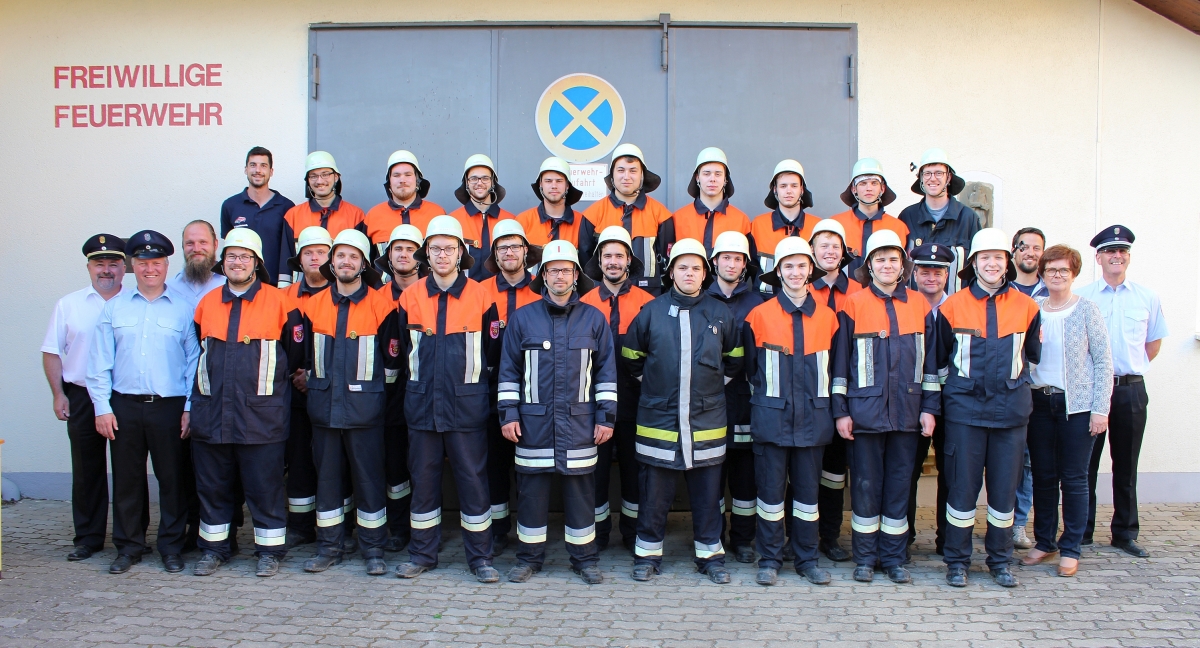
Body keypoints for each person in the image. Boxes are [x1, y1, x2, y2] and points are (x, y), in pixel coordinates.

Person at [621, 238, 743, 584]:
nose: (689, 273)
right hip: (658, 420)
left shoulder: (721, 313)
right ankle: (647, 555)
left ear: (706, 273)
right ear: (671, 271)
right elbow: (631, 357)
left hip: (706, 420)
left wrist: (709, 388)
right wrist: (655, 382)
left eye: (696, 267)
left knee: (708, 494)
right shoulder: (651, 311)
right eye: (682, 267)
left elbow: (735, 359)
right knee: (654, 494)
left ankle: (711, 556)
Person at [497, 240, 617, 584]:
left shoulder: (594, 318)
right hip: (532, 424)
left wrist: (605, 418)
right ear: (543, 275)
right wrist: (509, 415)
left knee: (581, 494)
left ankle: (585, 560)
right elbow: (508, 371)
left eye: (566, 269)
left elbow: (606, 373)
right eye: (553, 270)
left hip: (580, 423)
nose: (560, 276)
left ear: (577, 275)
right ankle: (529, 558)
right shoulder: (522, 319)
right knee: (531, 493)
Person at [188, 229, 304, 577]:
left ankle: (270, 551)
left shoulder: (281, 301)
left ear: (257, 263)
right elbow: (200, 349)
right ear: (222, 262)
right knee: (213, 486)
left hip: (261, 417)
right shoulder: (207, 303)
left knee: (264, 487)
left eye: (245, 256)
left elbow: (295, 353)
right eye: (232, 256)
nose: (238, 262)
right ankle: (214, 549)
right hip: (213, 414)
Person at [393, 216, 502, 583]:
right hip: (422, 406)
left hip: (467, 407)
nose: (442, 255)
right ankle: (422, 554)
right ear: (426, 254)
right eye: (435, 248)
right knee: (423, 482)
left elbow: (494, 353)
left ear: (461, 254)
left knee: (473, 483)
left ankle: (480, 559)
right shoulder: (410, 297)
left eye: (449, 248)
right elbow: (400, 355)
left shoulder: (482, 295)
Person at [87, 230, 199, 575]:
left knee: (173, 480)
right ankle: (129, 546)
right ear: (133, 266)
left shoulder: (184, 309)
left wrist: (189, 408)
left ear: (166, 265)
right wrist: (102, 408)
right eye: (143, 262)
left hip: (169, 405)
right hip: (124, 406)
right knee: (127, 480)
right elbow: (99, 362)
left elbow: (194, 361)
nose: (150, 269)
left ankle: (171, 546)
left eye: (157, 262)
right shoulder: (114, 308)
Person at [831, 230, 939, 584]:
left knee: (898, 486)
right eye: (880, 259)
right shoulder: (853, 304)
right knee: (864, 485)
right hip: (864, 414)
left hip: (908, 413)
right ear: (869, 267)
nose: (887, 265)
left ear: (903, 266)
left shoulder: (920, 305)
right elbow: (840, 365)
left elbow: (932, 365)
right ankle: (865, 558)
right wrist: (841, 410)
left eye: (893, 259)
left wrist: (929, 408)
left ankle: (893, 559)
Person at [936, 228, 1041, 588]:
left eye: (998, 257)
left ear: (1007, 263)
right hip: (965, 413)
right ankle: (957, 562)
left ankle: (1000, 561)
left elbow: (1032, 357)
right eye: (985, 258)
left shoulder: (1028, 307)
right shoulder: (952, 306)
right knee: (961, 492)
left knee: (1003, 494)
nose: (992, 264)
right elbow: (940, 359)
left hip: (1010, 414)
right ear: (974, 264)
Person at [300, 229, 401, 576]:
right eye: (340, 255)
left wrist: (375, 400)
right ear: (332, 262)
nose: (346, 261)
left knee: (370, 481)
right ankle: (329, 546)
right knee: (327, 482)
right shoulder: (311, 307)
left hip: (366, 414)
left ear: (363, 265)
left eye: (354, 256)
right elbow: (301, 358)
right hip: (324, 410)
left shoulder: (381, 304)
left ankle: (373, 550)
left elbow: (392, 361)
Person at [743, 237, 838, 586]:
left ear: (810, 270)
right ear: (778, 272)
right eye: (788, 266)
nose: (796, 272)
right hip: (771, 419)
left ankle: (807, 559)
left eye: (801, 266)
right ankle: (769, 559)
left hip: (814, 420)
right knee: (769, 495)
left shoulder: (829, 319)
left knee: (807, 498)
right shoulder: (758, 316)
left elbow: (836, 370)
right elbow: (750, 370)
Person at [1020, 245, 1112, 577]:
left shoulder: (1087, 310)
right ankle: (1045, 542)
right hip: (1039, 404)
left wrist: (1101, 409)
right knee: (1043, 477)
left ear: (1073, 274)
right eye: (1051, 270)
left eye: (1064, 270)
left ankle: (1071, 547)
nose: (1057, 275)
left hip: (1078, 406)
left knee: (1074, 479)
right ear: (1042, 273)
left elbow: (1103, 362)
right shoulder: (1033, 309)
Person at [1076, 225, 1167, 558]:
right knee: (1085, 464)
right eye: (1110, 252)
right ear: (1098, 258)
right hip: (1090, 391)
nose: (1117, 256)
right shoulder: (1083, 296)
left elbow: (1152, 343)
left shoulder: (1146, 297)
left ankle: (1125, 533)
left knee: (1126, 465)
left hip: (1129, 389)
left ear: (1128, 256)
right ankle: (1081, 531)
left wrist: (1128, 369)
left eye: (1122, 251)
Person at [42, 233, 126, 561]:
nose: (106, 270)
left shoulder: (135, 301)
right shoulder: (69, 305)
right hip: (80, 396)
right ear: (89, 267)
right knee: (87, 468)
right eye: (99, 264)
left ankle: (128, 537)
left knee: (127, 470)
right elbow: (52, 352)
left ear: (124, 267)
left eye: (113, 264)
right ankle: (88, 538)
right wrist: (57, 394)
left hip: (122, 397)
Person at [580, 226, 656, 552]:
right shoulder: (582, 302)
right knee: (593, 474)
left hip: (635, 402)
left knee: (634, 471)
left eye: (619, 256)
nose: (613, 262)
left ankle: (632, 533)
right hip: (591, 405)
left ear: (629, 260)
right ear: (599, 261)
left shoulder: (648, 303)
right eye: (607, 256)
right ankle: (596, 534)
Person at [476, 219, 542, 553]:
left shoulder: (543, 288)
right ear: (495, 256)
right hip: (489, 390)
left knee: (529, 467)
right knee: (495, 464)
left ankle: (531, 531)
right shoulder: (479, 290)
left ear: (526, 252)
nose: (510, 252)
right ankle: (498, 530)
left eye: (515, 246)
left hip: (534, 392)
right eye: (503, 247)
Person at [705, 231, 764, 563]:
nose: (731, 263)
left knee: (745, 477)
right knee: (712, 476)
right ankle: (711, 537)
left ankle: (742, 539)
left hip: (746, 402)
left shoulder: (758, 303)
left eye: (737, 258)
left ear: (745, 265)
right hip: (709, 401)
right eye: (725, 257)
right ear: (715, 262)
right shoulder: (700, 300)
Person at [806, 218, 860, 564]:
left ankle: (830, 536)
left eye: (835, 245)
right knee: (803, 471)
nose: (829, 251)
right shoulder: (798, 286)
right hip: (808, 393)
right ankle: (799, 537)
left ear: (843, 253)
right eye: (822, 245)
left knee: (834, 472)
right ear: (811, 251)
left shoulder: (858, 291)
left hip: (845, 394)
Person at [374, 224, 427, 553]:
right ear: (388, 257)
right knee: (394, 469)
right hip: (387, 401)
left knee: (422, 467)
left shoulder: (430, 294)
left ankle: (423, 528)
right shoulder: (375, 299)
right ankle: (398, 528)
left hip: (424, 396)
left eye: (410, 248)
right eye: (397, 249)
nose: (404, 254)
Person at [280, 226, 334, 548]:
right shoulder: (283, 297)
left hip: (331, 394)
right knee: (298, 460)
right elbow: (274, 343)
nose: (315, 258)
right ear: (299, 259)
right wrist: (293, 376)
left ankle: (337, 525)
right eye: (308, 253)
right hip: (294, 396)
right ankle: (300, 526)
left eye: (321, 252)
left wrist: (313, 375)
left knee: (331, 462)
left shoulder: (340, 294)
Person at [905, 242, 956, 555]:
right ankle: (904, 537)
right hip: (914, 403)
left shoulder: (959, 307)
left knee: (951, 474)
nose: (931, 276)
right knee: (908, 471)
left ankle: (947, 539)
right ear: (914, 273)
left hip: (954, 404)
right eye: (925, 270)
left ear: (947, 274)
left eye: (938, 271)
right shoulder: (905, 306)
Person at [582, 143, 672, 293]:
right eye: (621, 170)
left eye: (633, 171)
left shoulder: (661, 214)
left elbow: (667, 263)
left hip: (649, 297)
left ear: (642, 174)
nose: (626, 176)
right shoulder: (593, 214)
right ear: (612, 174)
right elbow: (586, 263)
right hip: (605, 296)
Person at [1009, 226, 1048, 550]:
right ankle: (1004, 520)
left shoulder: (1053, 292)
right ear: (1014, 252)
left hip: (1043, 389)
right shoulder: (1003, 290)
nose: (1030, 252)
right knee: (1012, 461)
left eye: (1036, 248)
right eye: (1024, 246)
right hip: (1012, 390)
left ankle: (1019, 523)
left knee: (1032, 463)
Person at [898, 148, 982, 295]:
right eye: (927, 173)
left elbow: (978, 268)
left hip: (956, 310)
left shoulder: (968, 218)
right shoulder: (907, 217)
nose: (933, 178)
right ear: (921, 178)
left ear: (948, 178)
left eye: (939, 173)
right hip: (916, 310)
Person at [279, 151, 367, 287]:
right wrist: (284, 295)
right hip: (302, 295)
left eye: (325, 174)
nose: (319, 181)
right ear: (307, 180)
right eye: (313, 176)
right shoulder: (293, 216)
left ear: (336, 177)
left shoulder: (356, 216)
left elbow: (361, 263)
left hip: (340, 296)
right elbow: (285, 264)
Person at [219, 146, 295, 286]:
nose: (258, 170)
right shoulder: (230, 206)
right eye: (253, 165)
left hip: (274, 288)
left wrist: (285, 286)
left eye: (263, 166)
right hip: (241, 286)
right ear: (246, 169)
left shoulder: (287, 207)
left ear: (271, 171)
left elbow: (289, 252)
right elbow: (229, 250)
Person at [659, 148, 753, 257]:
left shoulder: (741, 220)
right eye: (706, 173)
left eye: (718, 174)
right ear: (697, 177)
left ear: (725, 179)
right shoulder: (677, 219)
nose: (712, 179)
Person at [750, 159, 821, 296]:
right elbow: (750, 269)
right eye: (783, 186)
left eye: (794, 186)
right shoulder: (758, 225)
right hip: (766, 303)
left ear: (802, 190)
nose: (789, 191)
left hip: (807, 303)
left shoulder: (817, 227)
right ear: (775, 190)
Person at [831, 158, 909, 278]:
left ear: (882, 189)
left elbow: (903, 272)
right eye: (863, 183)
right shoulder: (836, 224)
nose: (869, 188)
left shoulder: (899, 227)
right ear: (853, 189)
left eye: (874, 183)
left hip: (884, 295)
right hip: (845, 295)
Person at [364, 150, 446, 264]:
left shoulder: (437, 214)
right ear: (389, 182)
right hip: (386, 283)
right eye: (396, 175)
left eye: (408, 175)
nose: (402, 180)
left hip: (428, 282)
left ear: (417, 180)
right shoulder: (373, 216)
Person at [516, 156, 597, 264]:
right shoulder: (523, 221)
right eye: (548, 181)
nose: (554, 186)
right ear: (541, 184)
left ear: (567, 185)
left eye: (559, 181)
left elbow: (587, 267)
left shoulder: (582, 222)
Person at [449, 154, 516, 280]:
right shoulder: (453, 221)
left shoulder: (510, 221)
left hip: (500, 295)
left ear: (493, 182)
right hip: (465, 295)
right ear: (466, 183)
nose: (479, 183)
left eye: (485, 178)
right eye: (474, 178)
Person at [171, 220, 226, 310]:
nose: (196, 249)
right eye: (190, 243)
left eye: (203, 242)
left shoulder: (229, 284)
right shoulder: (170, 288)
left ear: (215, 244)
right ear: (183, 246)